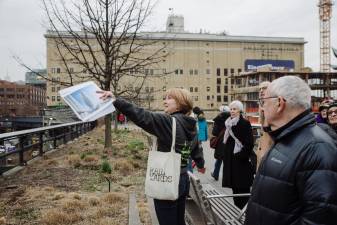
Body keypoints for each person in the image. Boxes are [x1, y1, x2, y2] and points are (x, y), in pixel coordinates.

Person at [98, 88, 205, 225]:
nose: (164, 101)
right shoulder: (190, 124)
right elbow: (196, 147)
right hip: (183, 179)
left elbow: (142, 116)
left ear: (180, 103)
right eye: (164, 98)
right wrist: (200, 164)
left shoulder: (169, 122)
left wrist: (116, 100)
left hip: (168, 180)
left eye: (169, 98)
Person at [245, 76, 337, 225]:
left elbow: (321, 216)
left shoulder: (317, 148)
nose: (262, 107)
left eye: (264, 102)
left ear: (279, 103)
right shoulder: (285, 137)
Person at [221, 100, 255, 209]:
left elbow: (249, 144)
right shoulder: (228, 123)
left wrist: (239, 156)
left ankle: (245, 214)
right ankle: (237, 212)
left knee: (243, 190)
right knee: (235, 190)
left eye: (234, 109)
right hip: (231, 162)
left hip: (241, 163)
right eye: (231, 109)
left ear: (240, 110)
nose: (232, 111)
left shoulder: (244, 123)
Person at [256, 81, 273, 169]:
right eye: (260, 89)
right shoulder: (262, 104)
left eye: (264, 88)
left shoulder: (275, 105)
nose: (261, 91)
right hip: (263, 144)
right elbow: (261, 124)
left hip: (271, 147)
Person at [210, 105, 230, 181]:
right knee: (227, 160)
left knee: (219, 159)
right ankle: (227, 177)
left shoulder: (218, 119)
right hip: (229, 141)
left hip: (220, 142)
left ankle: (216, 174)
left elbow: (214, 132)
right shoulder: (232, 118)